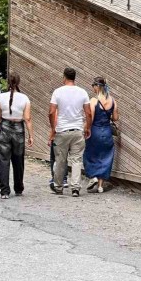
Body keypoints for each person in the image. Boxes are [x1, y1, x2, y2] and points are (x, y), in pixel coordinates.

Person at [49, 68, 92, 197]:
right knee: (77, 160)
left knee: (60, 160)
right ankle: (75, 188)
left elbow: (51, 112)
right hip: (78, 130)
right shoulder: (82, 92)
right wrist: (87, 127)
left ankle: (58, 186)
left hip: (61, 130)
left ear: (64, 77)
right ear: (74, 78)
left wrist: (53, 128)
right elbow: (88, 113)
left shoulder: (57, 92)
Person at [0, 73, 33, 199]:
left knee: (3, 160)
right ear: (19, 82)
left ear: (7, 82)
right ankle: (18, 189)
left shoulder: (0, 97)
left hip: (4, 127)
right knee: (18, 160)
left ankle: (4, 191)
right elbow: (27, 119)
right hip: (18, 129)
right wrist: (31, 136)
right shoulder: (24, 98)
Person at [83, 77, 118, 194]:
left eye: (93, 86)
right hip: (107, 132)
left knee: (90, 154)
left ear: (97, 87)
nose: (92, 88)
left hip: (95, 132)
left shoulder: (94, 101)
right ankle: (100, 186)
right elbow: (116, 118)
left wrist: (85, 129)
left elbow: (90, 118)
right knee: (105, 158)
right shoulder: (112, 100)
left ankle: (93, 177)